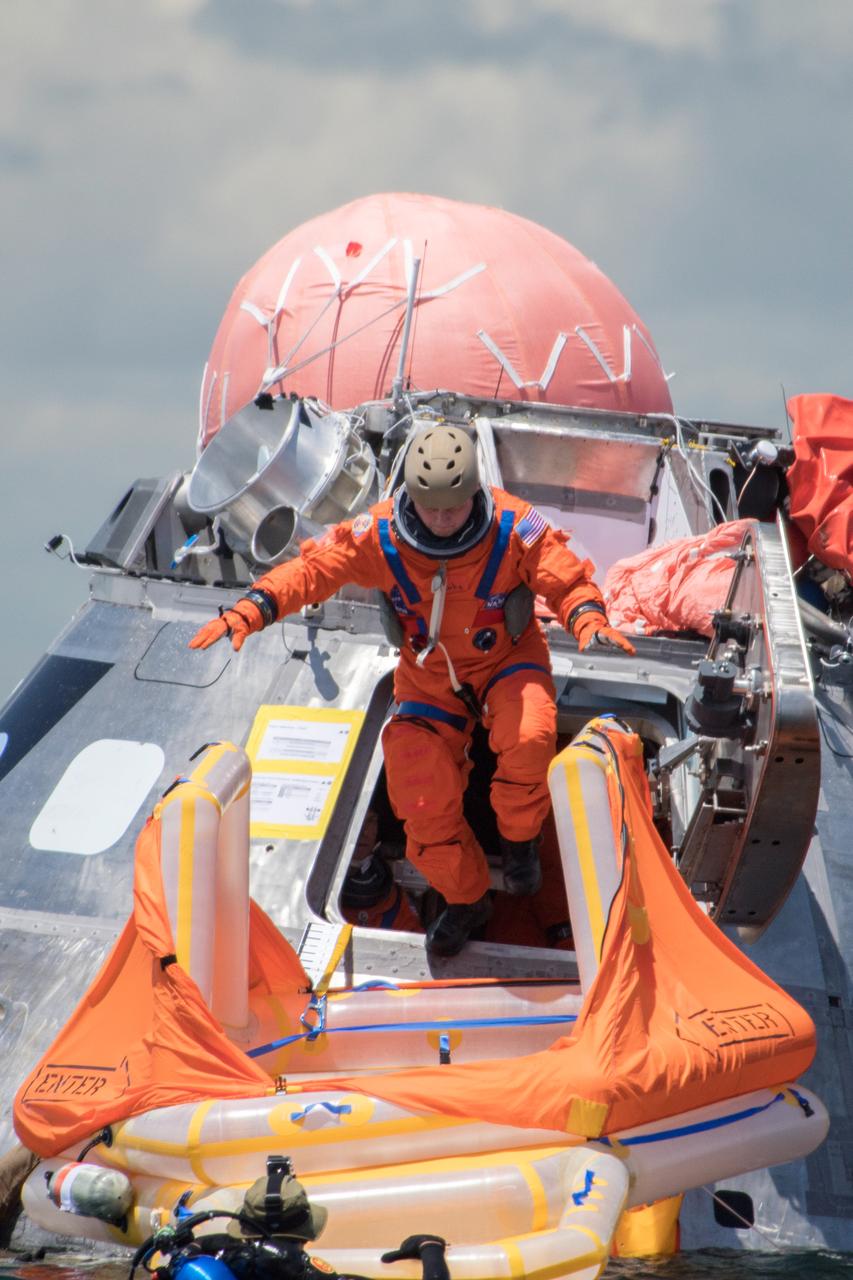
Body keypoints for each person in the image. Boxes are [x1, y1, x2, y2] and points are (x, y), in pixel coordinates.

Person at [190, 424, 634, 956]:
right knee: (419, 797)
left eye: (454, 507)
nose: (444, 519)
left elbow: (562, 572)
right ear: (413, 499)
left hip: (505, 662)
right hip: (429, 678)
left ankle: (520, 844)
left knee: (531, 737)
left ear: (475, 494)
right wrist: (253, 607)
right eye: (432, 509)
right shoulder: (377, 535)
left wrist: (586, 614)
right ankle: (467, 899)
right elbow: (312, 571)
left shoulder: (516, 525)